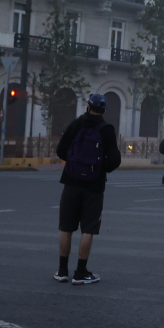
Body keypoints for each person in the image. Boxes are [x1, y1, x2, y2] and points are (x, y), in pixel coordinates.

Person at [54, 94, 122, 285]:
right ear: (104, 110)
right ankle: (81, 272)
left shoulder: (75, 124)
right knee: (88, 229)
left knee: (66, 228)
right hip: (94, 185)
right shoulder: (107, 129)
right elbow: (115, 160)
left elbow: (60, 150)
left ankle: (62, 271)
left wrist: (75, 164)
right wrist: (99, 169)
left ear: (88, 106)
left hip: (71, 182)